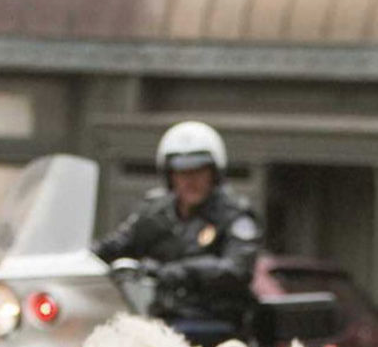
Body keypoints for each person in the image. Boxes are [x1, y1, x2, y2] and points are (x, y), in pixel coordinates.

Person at [92, 120, 262, 329]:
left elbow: (237, 269)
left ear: (214, 173)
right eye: (182, 173)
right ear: (170, 176)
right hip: (161, 316)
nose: (190, 181)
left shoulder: (235, 216)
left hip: (214, 320)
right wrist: (82, 256)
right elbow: (116, 244)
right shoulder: (155, 212)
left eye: (199, 171)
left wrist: (178, 271)